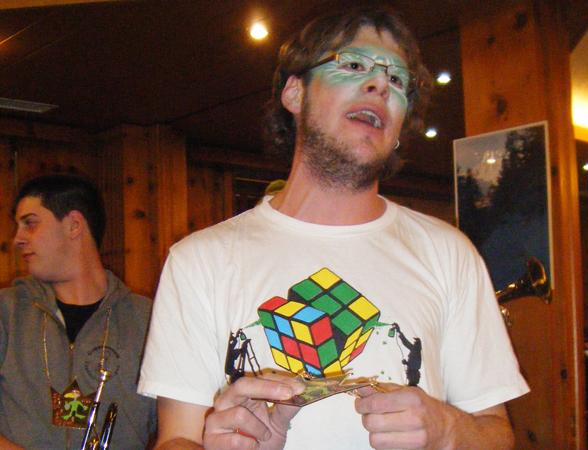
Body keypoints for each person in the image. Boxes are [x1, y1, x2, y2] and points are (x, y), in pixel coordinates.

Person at [139, 6, 529, 449]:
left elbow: (497, 433)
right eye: (354, 65)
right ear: (295, 93)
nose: (380, 84)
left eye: (397, 80)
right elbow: (176, 438)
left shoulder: (449, 253)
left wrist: (448, 430)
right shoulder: (199, 260)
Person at [0, 174, 156, 449]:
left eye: (30, 223)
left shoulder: (148, 320)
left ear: (74, 224)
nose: (17, 239)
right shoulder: (6, 313)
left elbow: (178, 427)